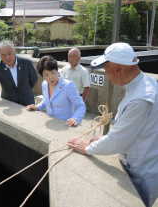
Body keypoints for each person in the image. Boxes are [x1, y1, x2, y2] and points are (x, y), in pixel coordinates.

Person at [67, 43, 158, 207]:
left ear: (118, 69)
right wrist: (102, 139)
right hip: (141, 162)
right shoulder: (146, 85)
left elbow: (119, 140)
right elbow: (128, 130)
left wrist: (87, 148)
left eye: (107, 70)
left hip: (141, 173)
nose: (107, 75)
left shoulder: (140, 99)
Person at [0, 40, 38, 113]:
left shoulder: (26, 63)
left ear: (14, 51)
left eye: (9, 54)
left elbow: (34, 79)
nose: (7, 57)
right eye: (3, 55)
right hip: (8, 103)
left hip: (28, 102)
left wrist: (26, 89)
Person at [26, 56, 86, 127]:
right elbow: (47, 100)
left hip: (66, 125)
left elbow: (81, 106)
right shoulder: (44, 84)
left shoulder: (68, 85)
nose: (50, 77)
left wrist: (75, 119)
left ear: (57, 71)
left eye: (53, 72)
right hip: (51, 124)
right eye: (46, 75)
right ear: (42, 76)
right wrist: (37, 107)